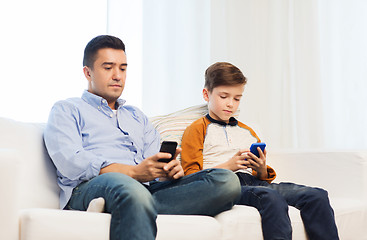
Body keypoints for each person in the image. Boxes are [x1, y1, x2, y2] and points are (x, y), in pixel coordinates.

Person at [43, 36, 241, 240]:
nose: (117, 76)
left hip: (145, 189)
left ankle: (131, 207)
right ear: (88, 72)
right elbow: (71, 162)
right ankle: (131, 201)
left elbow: (153, 162)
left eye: (122, 68)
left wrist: (166, 171)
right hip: (93, 186)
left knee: (226, 181)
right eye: (108, 67)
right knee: (127, 186)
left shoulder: (136, 116)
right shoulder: (67, 109)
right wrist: (133, 172)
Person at [180, 62, 339, 240]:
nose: (230, 104)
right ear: (206, 94)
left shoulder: (247, 131)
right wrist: (228, 166)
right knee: (270, 197)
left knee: (317, 195)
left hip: (256, 183)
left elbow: (261, 175)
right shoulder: (196, 129)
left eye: (237, 98)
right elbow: (191, 176)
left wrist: (261, 168)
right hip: (226, 186)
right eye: (224, 96)